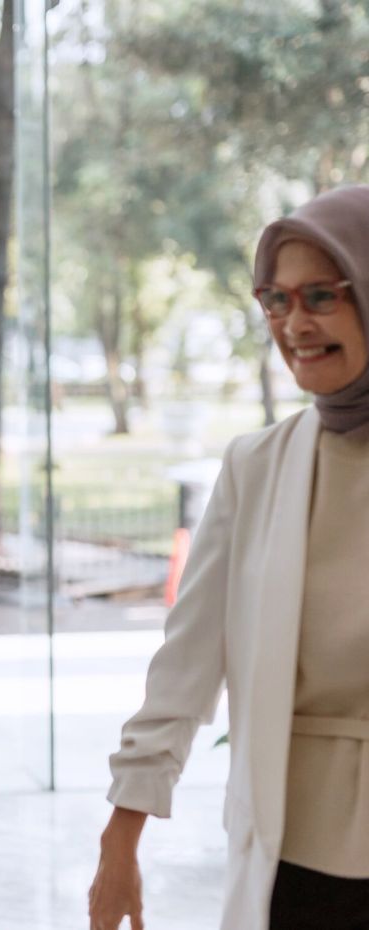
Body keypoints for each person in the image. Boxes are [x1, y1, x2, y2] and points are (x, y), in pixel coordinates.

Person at [88, 185, 369, 930]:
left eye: (320, 294)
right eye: (275, 300)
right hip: (293, 857)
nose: (295, 323)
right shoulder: (258, 466)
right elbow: (185, 667)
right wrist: (122, 839)